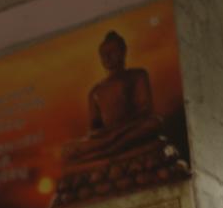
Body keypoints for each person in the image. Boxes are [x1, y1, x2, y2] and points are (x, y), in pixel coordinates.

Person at [62, 30, 162, 164]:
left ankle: (106, 151)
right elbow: (94, 128)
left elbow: (145, 109)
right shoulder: (95, 91)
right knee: (67, 148)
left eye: (112, 52)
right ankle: (110, 149)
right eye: (103, 54)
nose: (107, 57)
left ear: (123, 52)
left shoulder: (138, 75)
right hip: (108, 137)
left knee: (154, 123)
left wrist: (117, 131)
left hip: (129, 129)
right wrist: (106, 135)